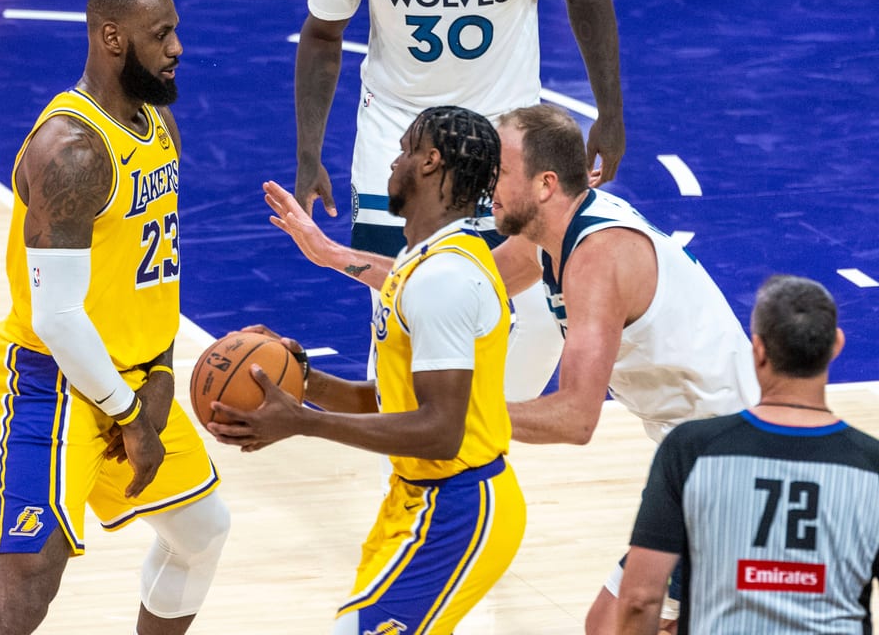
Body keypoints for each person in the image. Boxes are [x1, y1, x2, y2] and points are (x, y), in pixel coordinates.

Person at [262, 103, 760, 633]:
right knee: (622, 623)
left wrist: (457, 415)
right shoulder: (548, 237)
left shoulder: (598, 258)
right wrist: (332, 254)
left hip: (732, 466)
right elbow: (442, 278)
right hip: (696, 457)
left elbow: (576, 419)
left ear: (545, 184)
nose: (486, 185)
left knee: (618, 623)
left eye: (500, 172)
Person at [0, 0, 230, 635]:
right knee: (20, 597)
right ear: (113, 37)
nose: (178, 48)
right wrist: (132, 417)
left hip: (135, 377)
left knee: (200, 528)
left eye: (175, 31)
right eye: (161, 34)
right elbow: (56, 319)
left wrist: (161, 371)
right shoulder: (72, 151)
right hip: (53, 386)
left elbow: (150, 268)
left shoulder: (157, 123)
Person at [209, 106, 526, 635]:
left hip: (459, 506)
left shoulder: (444, 278)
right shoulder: (419, 262)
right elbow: (389, 403)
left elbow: (441, 432)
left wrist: (304, 423)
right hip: (420, 498)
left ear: (430, 162)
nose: (394, 162)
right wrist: (301, 379)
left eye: (404, 149)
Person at [294, 0, 625, 399]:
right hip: (400, 136)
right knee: (401, 307)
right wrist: (309, 152)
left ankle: (485, 433)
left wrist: (610, 112)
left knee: (537, 308)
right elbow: (322, 33)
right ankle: (413, 458)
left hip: (502, 135)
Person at [617, 275, 879, 635]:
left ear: (757, 350)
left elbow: (639, 599)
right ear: (836, 346)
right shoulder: (872, 464)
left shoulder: (689, 449)